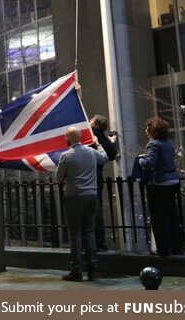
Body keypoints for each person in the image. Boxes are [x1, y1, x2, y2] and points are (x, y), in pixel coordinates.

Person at [57, 127, 108, 282]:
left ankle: (76, 271)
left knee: (75, 234)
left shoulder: (66, 156)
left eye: (66, 136)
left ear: (69, 138)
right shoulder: (92, 152)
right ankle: (93, 271)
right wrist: (98, 144)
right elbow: (104, 157)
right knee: (90, 232)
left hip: (74, 197)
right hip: (91, 195)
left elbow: (59, 177)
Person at [138, 117, 185, 257]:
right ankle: (177, 246)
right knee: (172, 215)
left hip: (159, 183)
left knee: (159, 217)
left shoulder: (154, 144)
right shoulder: (168, 144)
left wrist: (141, 160)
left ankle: (163, 249)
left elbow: (149, 163)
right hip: (173, 181)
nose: (146, 131)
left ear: (153, 130)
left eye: (147, 128)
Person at [89, 115, 118, 251]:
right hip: (97, 175)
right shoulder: (102, 137)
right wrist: (112, 142)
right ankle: (99, 242)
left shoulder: (91, 134)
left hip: (88, 174)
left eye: (91, 121)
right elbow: (112, 154)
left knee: (89, 210)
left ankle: (90, 241)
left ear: (94, 124)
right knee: (97, 207)